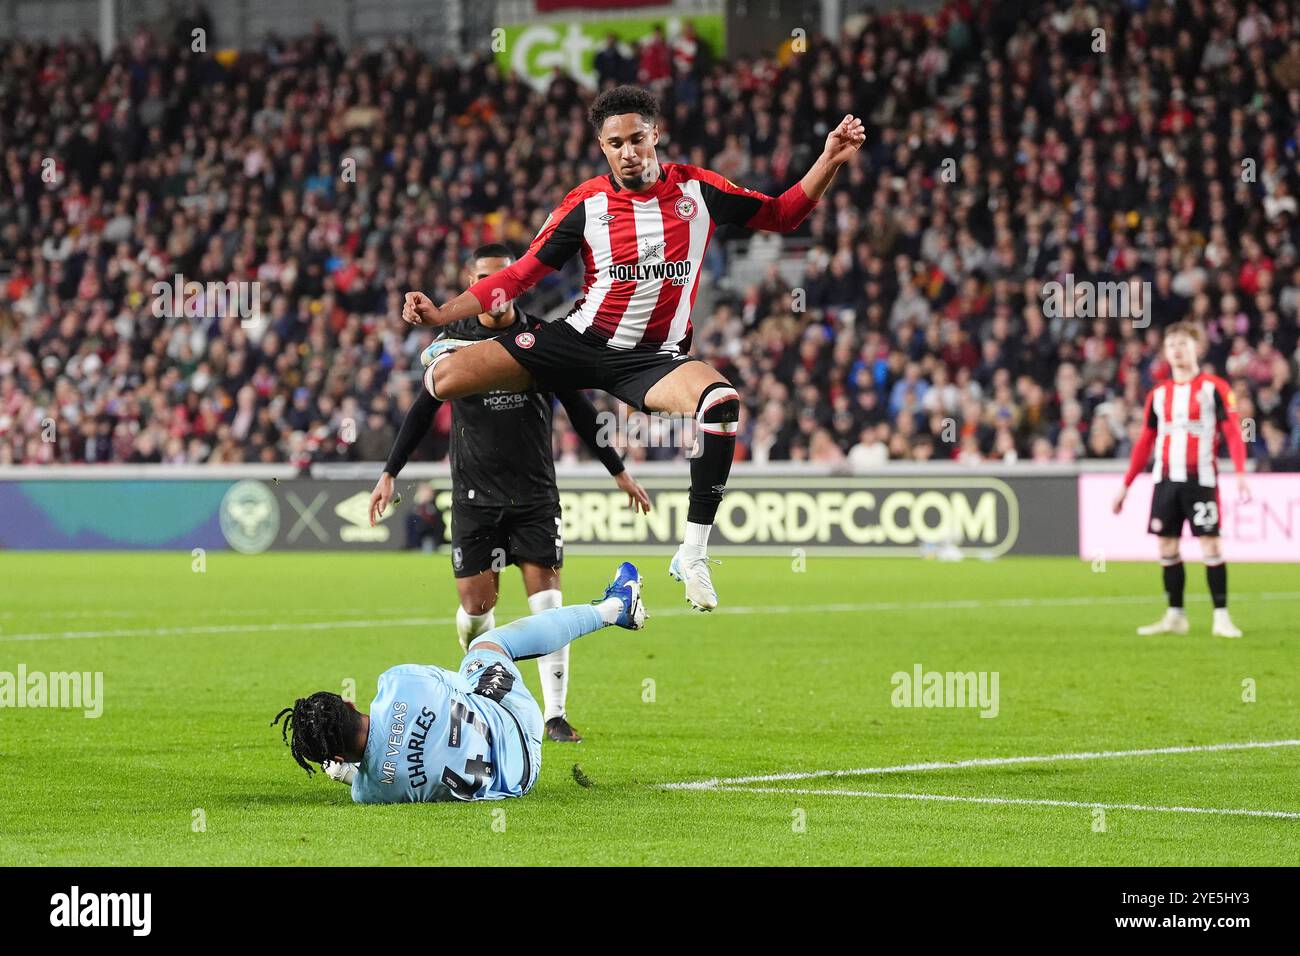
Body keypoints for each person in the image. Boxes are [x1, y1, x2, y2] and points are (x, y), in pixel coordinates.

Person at [400, 85, 866, 611]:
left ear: (655, 136)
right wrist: (442, 313)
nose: (628, 152)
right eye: (615, 142)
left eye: (637, 139)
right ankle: (444, 352)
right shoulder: (587, 204)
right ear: (602, 146)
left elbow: (782, 215)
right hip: (579, 341)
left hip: (652, 360)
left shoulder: (698, 190)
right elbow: (520, 275)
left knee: (721, 403)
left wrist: (829, 159)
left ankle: (692, 551)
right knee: (443, 381)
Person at [370, 243, 651, 742]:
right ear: (472, 284)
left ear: (517, 283)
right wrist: (391, 471)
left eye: (503, 280)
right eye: (483, 280)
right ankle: (475, 684)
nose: (494, 291)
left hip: (535, 494)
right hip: (475, 496)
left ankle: (554, 715)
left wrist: (618, 469)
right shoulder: (452, 341)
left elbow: (579, 408)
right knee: (478, 607)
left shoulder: (543, 337)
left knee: (546, 601)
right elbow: (421, 410)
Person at [272, 563, 646, 803]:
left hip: (517, 779)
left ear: (334, 758)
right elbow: (463, 689)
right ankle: (613, 609)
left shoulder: (369, 793)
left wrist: (348, 774)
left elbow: (386, 774)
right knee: (484, 649)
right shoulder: (397, 684)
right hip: (517, 721)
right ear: (350, 704)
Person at [1113, 322, 1251, 638]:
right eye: (1171, 344)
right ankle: (1175, 615)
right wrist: (1126, 485)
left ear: (1197, 348)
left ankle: (1221, 617)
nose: (1176, 349)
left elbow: (1232, 430)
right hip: (1165, 480)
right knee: (1166, 545)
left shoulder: (1215, 388)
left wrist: (1241, 473)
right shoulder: (1158, 394)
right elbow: (1145, 441)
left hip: (1200, 479)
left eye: (1182, 343)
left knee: (1210, 543)